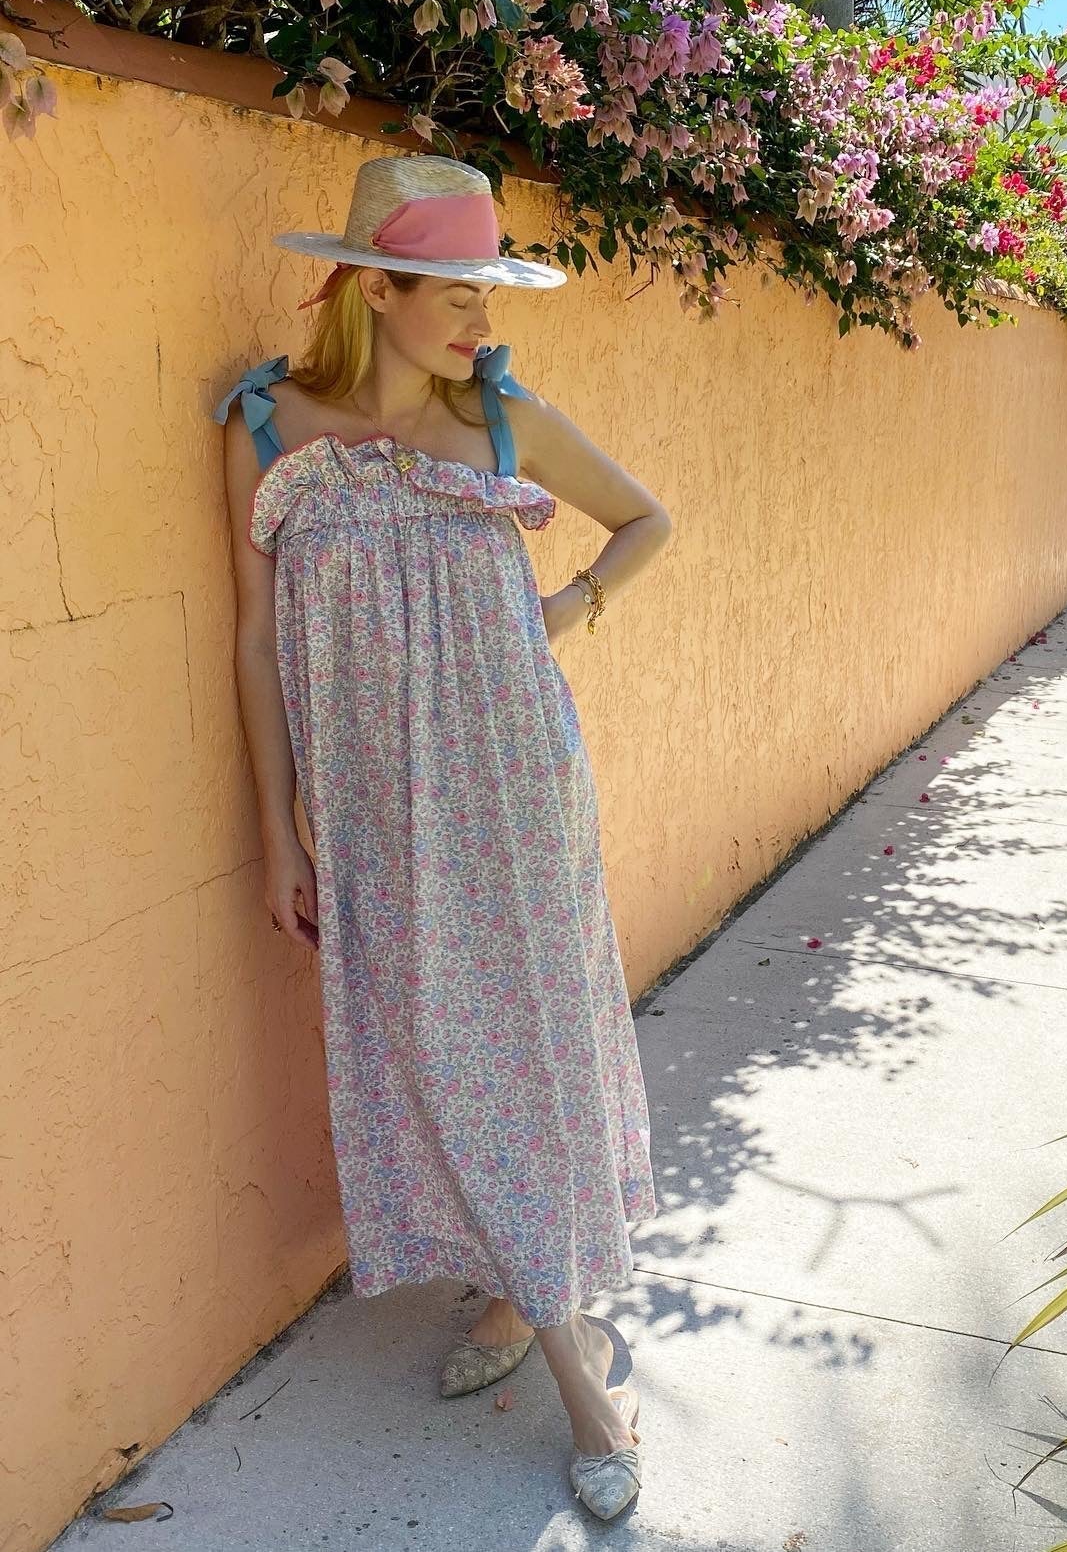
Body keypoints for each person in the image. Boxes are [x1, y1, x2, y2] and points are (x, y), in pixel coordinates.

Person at [211, 153, 671, 1521]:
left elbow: (649, 520)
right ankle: (530, 1293)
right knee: (434, 1046)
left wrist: (571, 609)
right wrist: (276, 829)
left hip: (516, 784)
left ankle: (579, 1374)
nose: (480, 314)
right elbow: (250, 636)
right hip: (366, 803)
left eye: (489, 288)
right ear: (376, 288)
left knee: (524, 1042)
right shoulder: (264, 429)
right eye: (453, 289)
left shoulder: (507, 424)